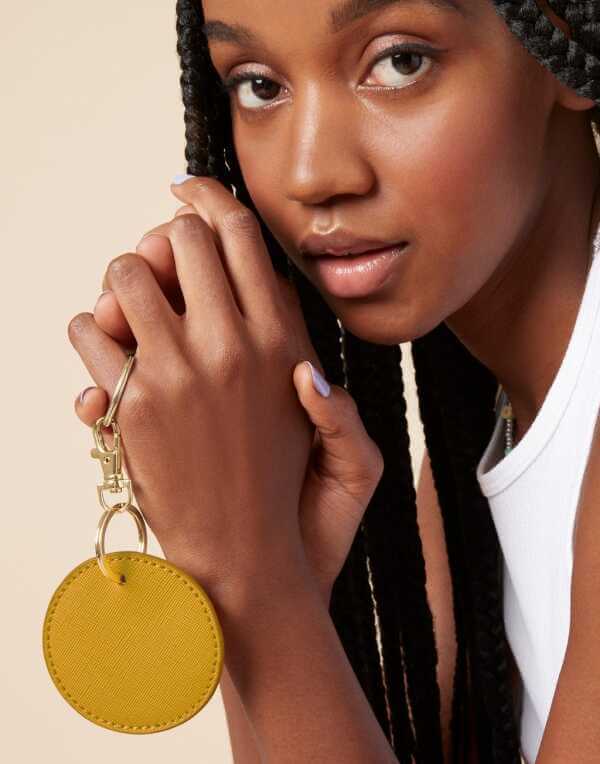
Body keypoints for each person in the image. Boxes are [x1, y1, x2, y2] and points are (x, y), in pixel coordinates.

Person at [67, 0, 600, 761]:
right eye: (259, 85)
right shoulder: (488, 436)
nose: (312, 173)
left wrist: (257, 580)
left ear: (565, 39)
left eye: (401, 62)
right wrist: (260, 558)